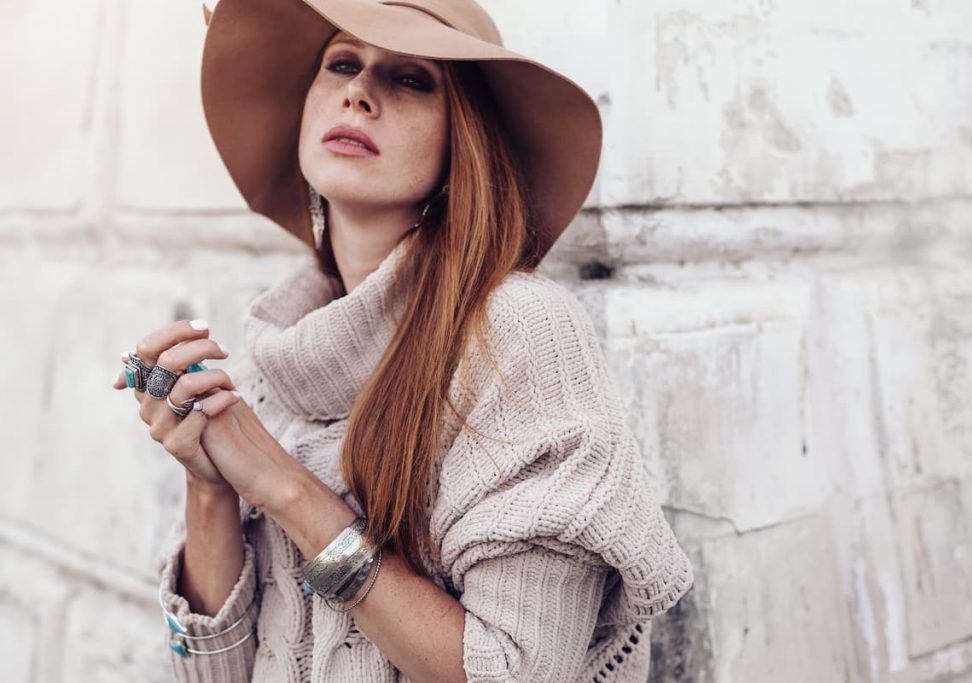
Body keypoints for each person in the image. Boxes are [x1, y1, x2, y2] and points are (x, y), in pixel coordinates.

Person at [113, 0, 695, 680]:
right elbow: (215, 675)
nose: (359, 92)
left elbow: (521, 670)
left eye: (411, 78)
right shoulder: (268, 360)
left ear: (461, 147)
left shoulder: (518, 334)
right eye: (342, 64)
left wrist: (286, 489)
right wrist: (209, 483)